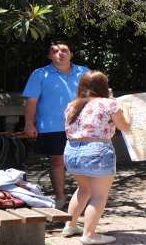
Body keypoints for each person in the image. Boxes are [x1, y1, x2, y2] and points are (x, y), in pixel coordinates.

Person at [62, 71, 130, 245]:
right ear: (103, 86)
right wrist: (126, 111)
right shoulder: (109, 104)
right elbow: (124, 126)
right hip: (97, 150)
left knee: (83, 189)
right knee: (99, 196)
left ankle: (70, 225)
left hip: (72, 150)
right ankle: (89, 234)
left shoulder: (72, 105)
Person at [22, 41, 90, 208]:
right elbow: (31, 101)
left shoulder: (85, 73)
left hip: (83, 125)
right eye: (55, 51)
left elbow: (98, 97)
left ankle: (91, 196)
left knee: (85, 161)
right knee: (57, 161)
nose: (60, 53)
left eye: (64, 50)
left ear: (71, 54)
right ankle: (60, 198)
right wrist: (29, 124)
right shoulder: (39, 74)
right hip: (53, 125)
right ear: (49, 56)